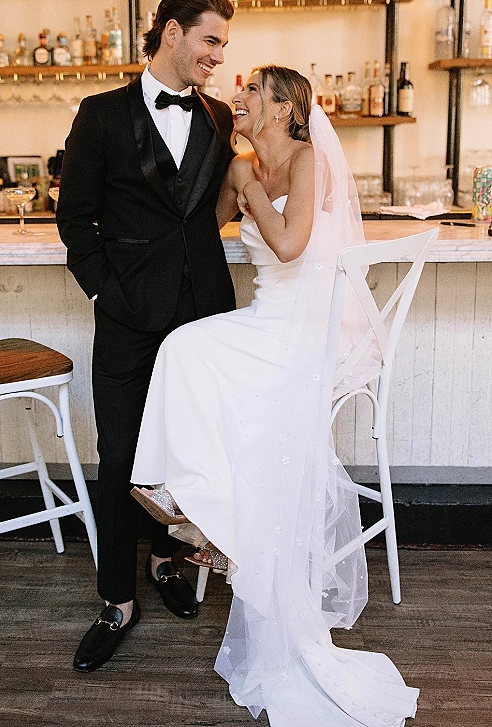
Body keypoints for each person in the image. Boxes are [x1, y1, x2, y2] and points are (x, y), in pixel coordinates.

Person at [131, 66, 419, 726]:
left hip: (300, 338)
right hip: (268, 322)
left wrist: (246, 182)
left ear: (288, 106)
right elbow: (208, 226)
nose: (243, 96)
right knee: (185, 350)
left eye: (255, 90)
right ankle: (194, 509)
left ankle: (205, 519)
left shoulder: (307, 156)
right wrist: (227, 167)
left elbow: (289, 245)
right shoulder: (250, 159)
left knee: (194, 358)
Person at [56, 0, 237, 672]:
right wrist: (108, 291)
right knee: (123, 453)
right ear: (170, 32)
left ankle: (165, 562)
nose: (218, 55)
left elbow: (222, 201)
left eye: (222, 42)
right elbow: (76, 220)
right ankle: (116, 600)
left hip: (204, 316)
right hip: (129, 314)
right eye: (210, 40)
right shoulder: (100, 115)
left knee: (186, 447)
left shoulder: (221, 117)